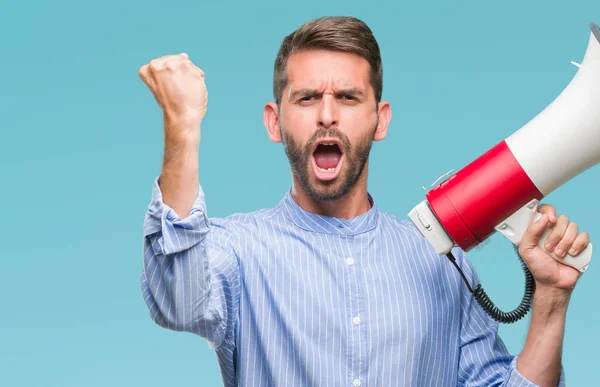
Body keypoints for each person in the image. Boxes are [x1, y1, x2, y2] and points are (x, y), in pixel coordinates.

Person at [138, 16, 589, 387]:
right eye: (308, 98)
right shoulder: (238, 251)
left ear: (380, 119)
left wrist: (550, 297)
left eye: (349, 98)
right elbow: (176, 298)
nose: (328, 114)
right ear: (275, 123)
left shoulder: (439, 261)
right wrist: (183, 125)